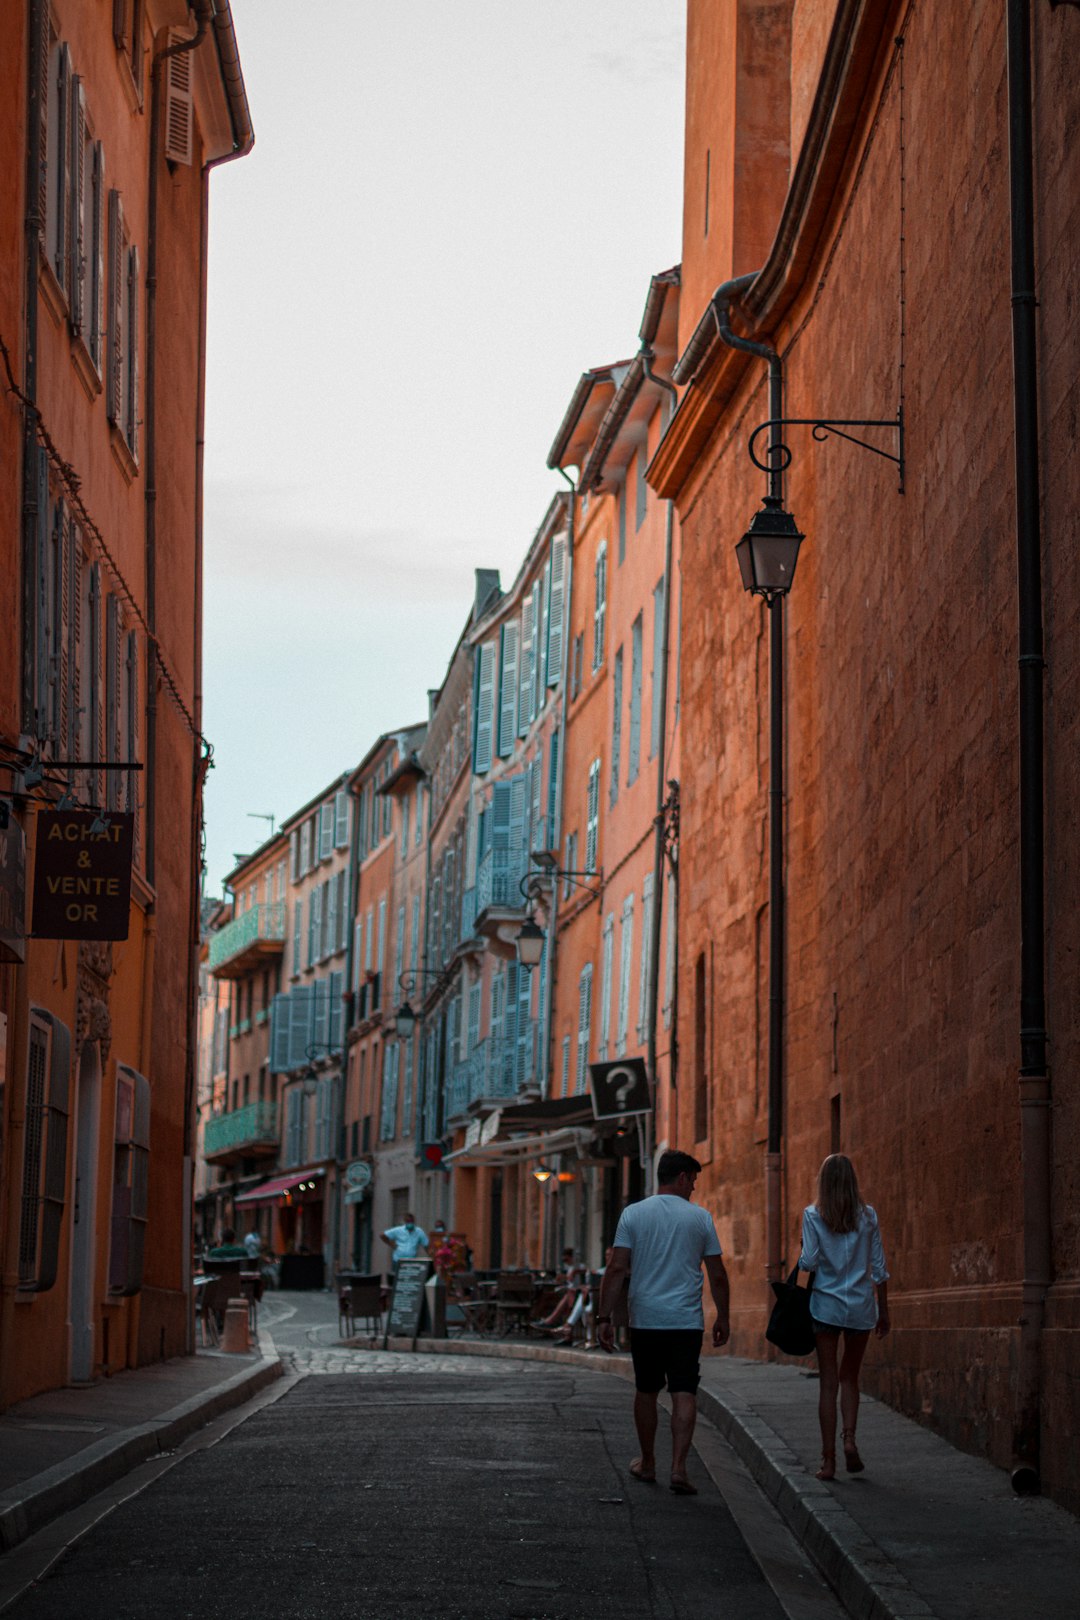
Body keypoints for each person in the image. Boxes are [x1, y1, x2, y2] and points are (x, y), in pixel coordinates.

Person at [597, 1150, 730, 1495]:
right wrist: (723, 1316)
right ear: (683, 1177)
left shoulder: (633, 1214)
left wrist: (603, 1316)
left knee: (646, 1389)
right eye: (694, 1181)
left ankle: (648, 1462)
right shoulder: (700, 1218)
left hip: (646, 1319)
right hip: (685, 1321)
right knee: (684, 1390)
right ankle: (679, 1468)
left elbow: (616, 1268)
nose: (694, 1189)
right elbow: (717, 1274)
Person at [799, 1154, 890, 1481]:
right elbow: (879, 1268)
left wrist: (809, 1250)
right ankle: (849, 1440)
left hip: (826, 1307)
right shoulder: (868, 1216)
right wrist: (884, 1312)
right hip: (861, 1308)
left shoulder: (813, 1215)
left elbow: (808, 1262)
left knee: (828, 1382)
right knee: (850, 1377)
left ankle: (828, 1462)